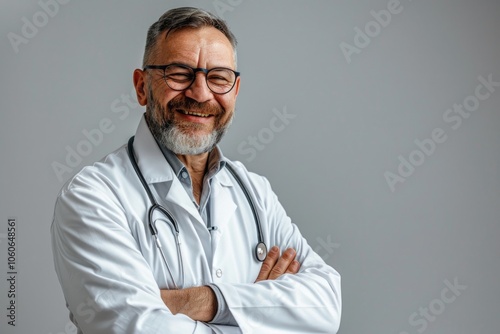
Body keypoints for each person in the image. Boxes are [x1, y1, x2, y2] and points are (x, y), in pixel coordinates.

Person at [51, 7, 341, 334]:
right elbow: (135, 329)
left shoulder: (255, 192)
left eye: (218, 78)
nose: (200, 94)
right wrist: (261, 310)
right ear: (142, 87)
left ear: (235, 90)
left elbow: (326, 306)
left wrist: (199, 301)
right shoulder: (92, 197)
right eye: (179, 73)